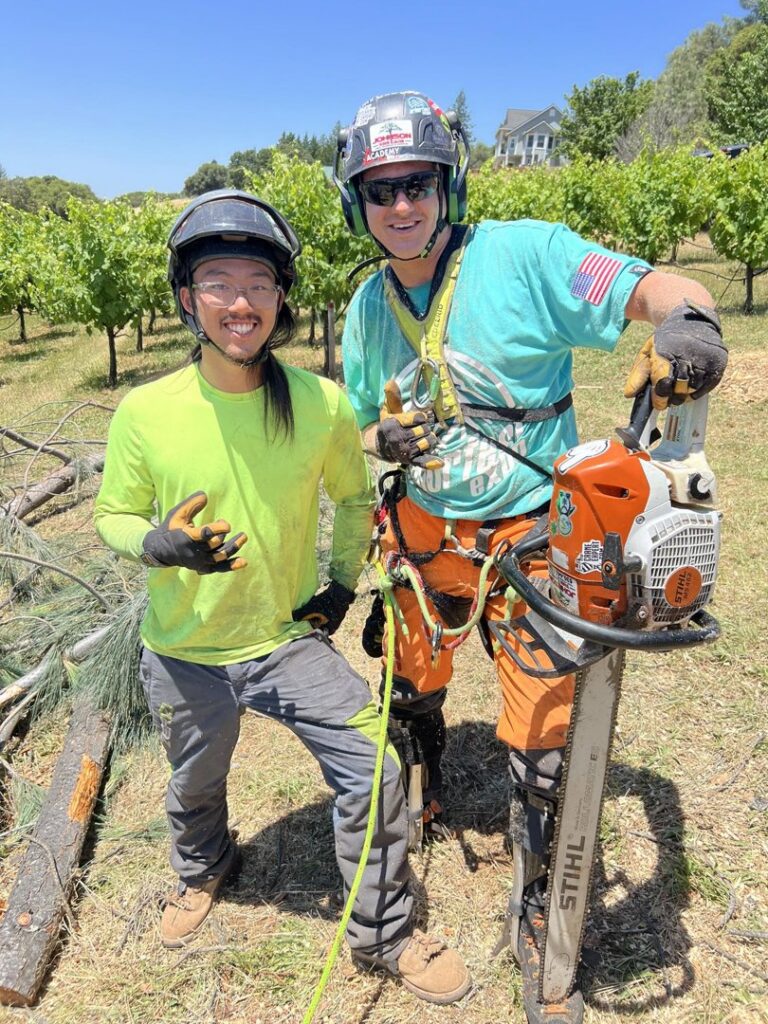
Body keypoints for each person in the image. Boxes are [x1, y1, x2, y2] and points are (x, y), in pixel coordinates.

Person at [334, 92, 727, 1023]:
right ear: (360, 202)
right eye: (381, 189)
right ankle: (421, 774)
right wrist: (382, 441)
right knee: (408, 667)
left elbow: (657, 288)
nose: (401, 205)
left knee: (545, 709)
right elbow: (360, 417)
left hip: (528, 520)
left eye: (417, 183)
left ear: (447, 183)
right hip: (425, 525)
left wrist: (692, 326)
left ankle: (541, 873)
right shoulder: (363, 305)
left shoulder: (524, 252)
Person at [93, 190, 471, 1005]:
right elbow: (111, 515)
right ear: (188, 299)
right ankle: (203, 868)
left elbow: (355, 498)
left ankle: (385, 931)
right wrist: (153, 542)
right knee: (194, 781)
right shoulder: (145, 412)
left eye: (260, 283)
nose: (241, 302)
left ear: (281, 300)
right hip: (184, 650)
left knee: (372, 767)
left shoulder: (321, 404)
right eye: (219, 281)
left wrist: (339, 584)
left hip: (284, 638)